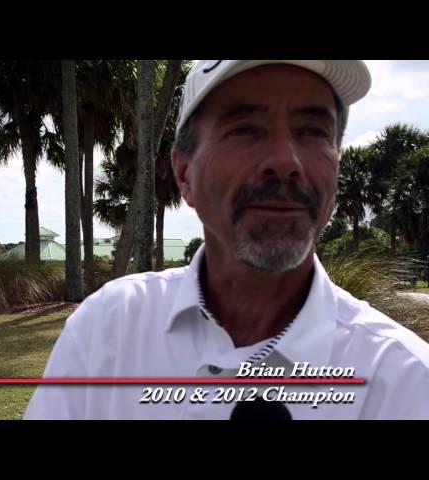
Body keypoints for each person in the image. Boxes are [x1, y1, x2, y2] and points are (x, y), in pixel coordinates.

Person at [24, 60, 429, 420]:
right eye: (245, 130)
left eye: (313, 131)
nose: (285, 161)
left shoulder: (405, 382)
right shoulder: (108, 330)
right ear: (185, 175)